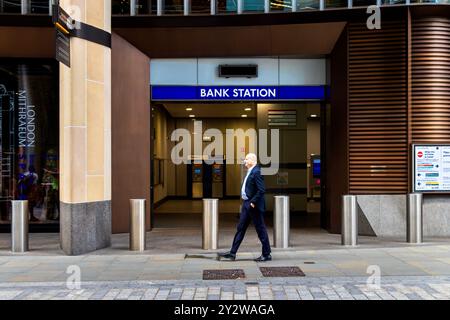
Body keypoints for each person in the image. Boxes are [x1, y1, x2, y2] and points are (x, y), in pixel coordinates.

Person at [219, 153, 272, 262]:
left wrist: (253, 202)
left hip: (254, 206)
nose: (245, 161)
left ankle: (266, 254)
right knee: (241, 228)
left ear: (253, 160)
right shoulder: (251, 171)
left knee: (260, 229)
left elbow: (261, 190)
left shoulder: (257, 171)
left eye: (247, 159)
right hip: (247, 204)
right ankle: (232, 253)